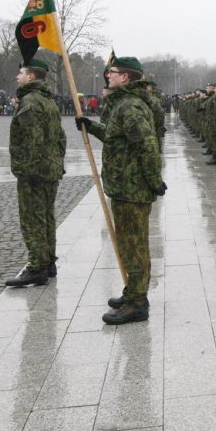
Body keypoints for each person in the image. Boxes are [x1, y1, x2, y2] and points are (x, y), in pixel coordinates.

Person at [76, 56, 165, 324]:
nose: (107, 76)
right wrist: (91, 127)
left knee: (134, 244)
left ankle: (138, 302)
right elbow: (117, 138)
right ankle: (133, 291)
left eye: (112, 72)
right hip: (124, 185)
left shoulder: (130, 106)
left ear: (125, 77)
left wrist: (153, 181)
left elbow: (147, 147)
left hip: (132, 188)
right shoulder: (123, 105)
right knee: (128, 243)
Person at [5, 59, 67, 287]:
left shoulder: (30, 102)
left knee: (32, 219)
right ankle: (48, 261)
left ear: (31, 77)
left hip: (35, 172)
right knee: (47, 217)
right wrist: (56, 162)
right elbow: (61, 138)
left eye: (20, 73)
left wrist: (25, 169)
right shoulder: (47, 101)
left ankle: (37, 266)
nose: (17, 77)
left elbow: (33, 142)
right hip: (49, 169)